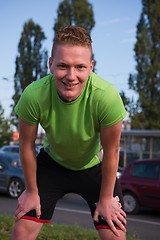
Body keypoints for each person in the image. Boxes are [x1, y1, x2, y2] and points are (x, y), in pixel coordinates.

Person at [11, 25, 127, 240]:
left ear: (91, 67)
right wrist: (31, 191)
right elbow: (26, 145)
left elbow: (111, 151)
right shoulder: (33, 95)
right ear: (50, 64)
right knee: (21, 230)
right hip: (52, 165)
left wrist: (106, 199)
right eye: (63, 66)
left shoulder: (107, 96)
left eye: (80, 67)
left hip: (94, 166)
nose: (71, 76)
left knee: (115, 233)